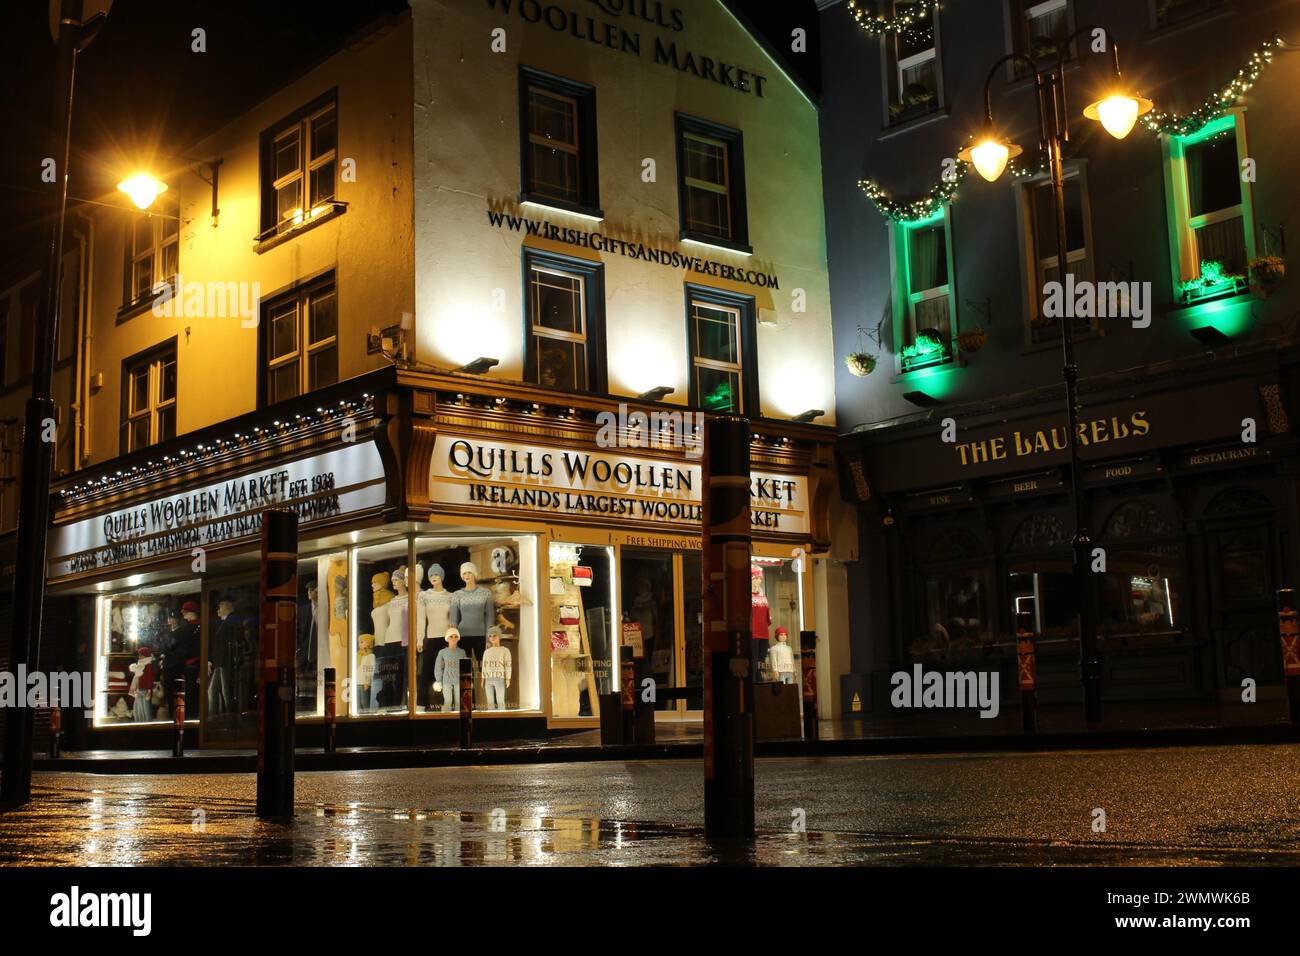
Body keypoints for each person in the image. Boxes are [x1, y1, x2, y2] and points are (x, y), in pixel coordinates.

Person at [434, 627, 468, 712]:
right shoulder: (442, 652)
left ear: (458, 638)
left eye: (455, 636)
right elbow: (438, 667)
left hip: (458, 680)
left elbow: (464, 667)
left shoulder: (462, 652)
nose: (453, 638)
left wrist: (466, 680)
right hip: (447, 680)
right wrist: (438, 680)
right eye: (451, 636)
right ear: (447, 638)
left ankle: (458, 721)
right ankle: (446, 719)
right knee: (448, 701)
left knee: (458, 702)